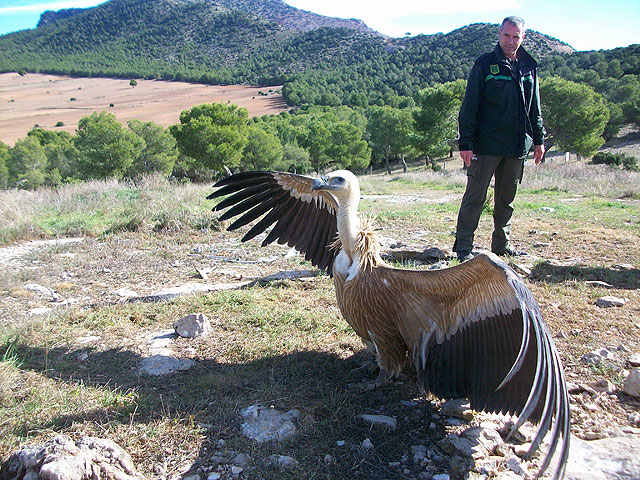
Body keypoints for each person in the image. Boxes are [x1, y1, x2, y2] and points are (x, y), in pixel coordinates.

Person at [453, 16, 545, 262]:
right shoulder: (485, 64)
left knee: (507, 199)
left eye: (516, 36)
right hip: (486, 145)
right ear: (499, 34)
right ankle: (463, 248)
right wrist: (466, 143)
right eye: (507, 35)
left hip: (516, 146)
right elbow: (470, 105)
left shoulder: (529, 66)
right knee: (475, 197)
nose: (511, 41)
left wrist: (539, 139)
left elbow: (534, 107)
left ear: (523, 37)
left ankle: (501, 245)